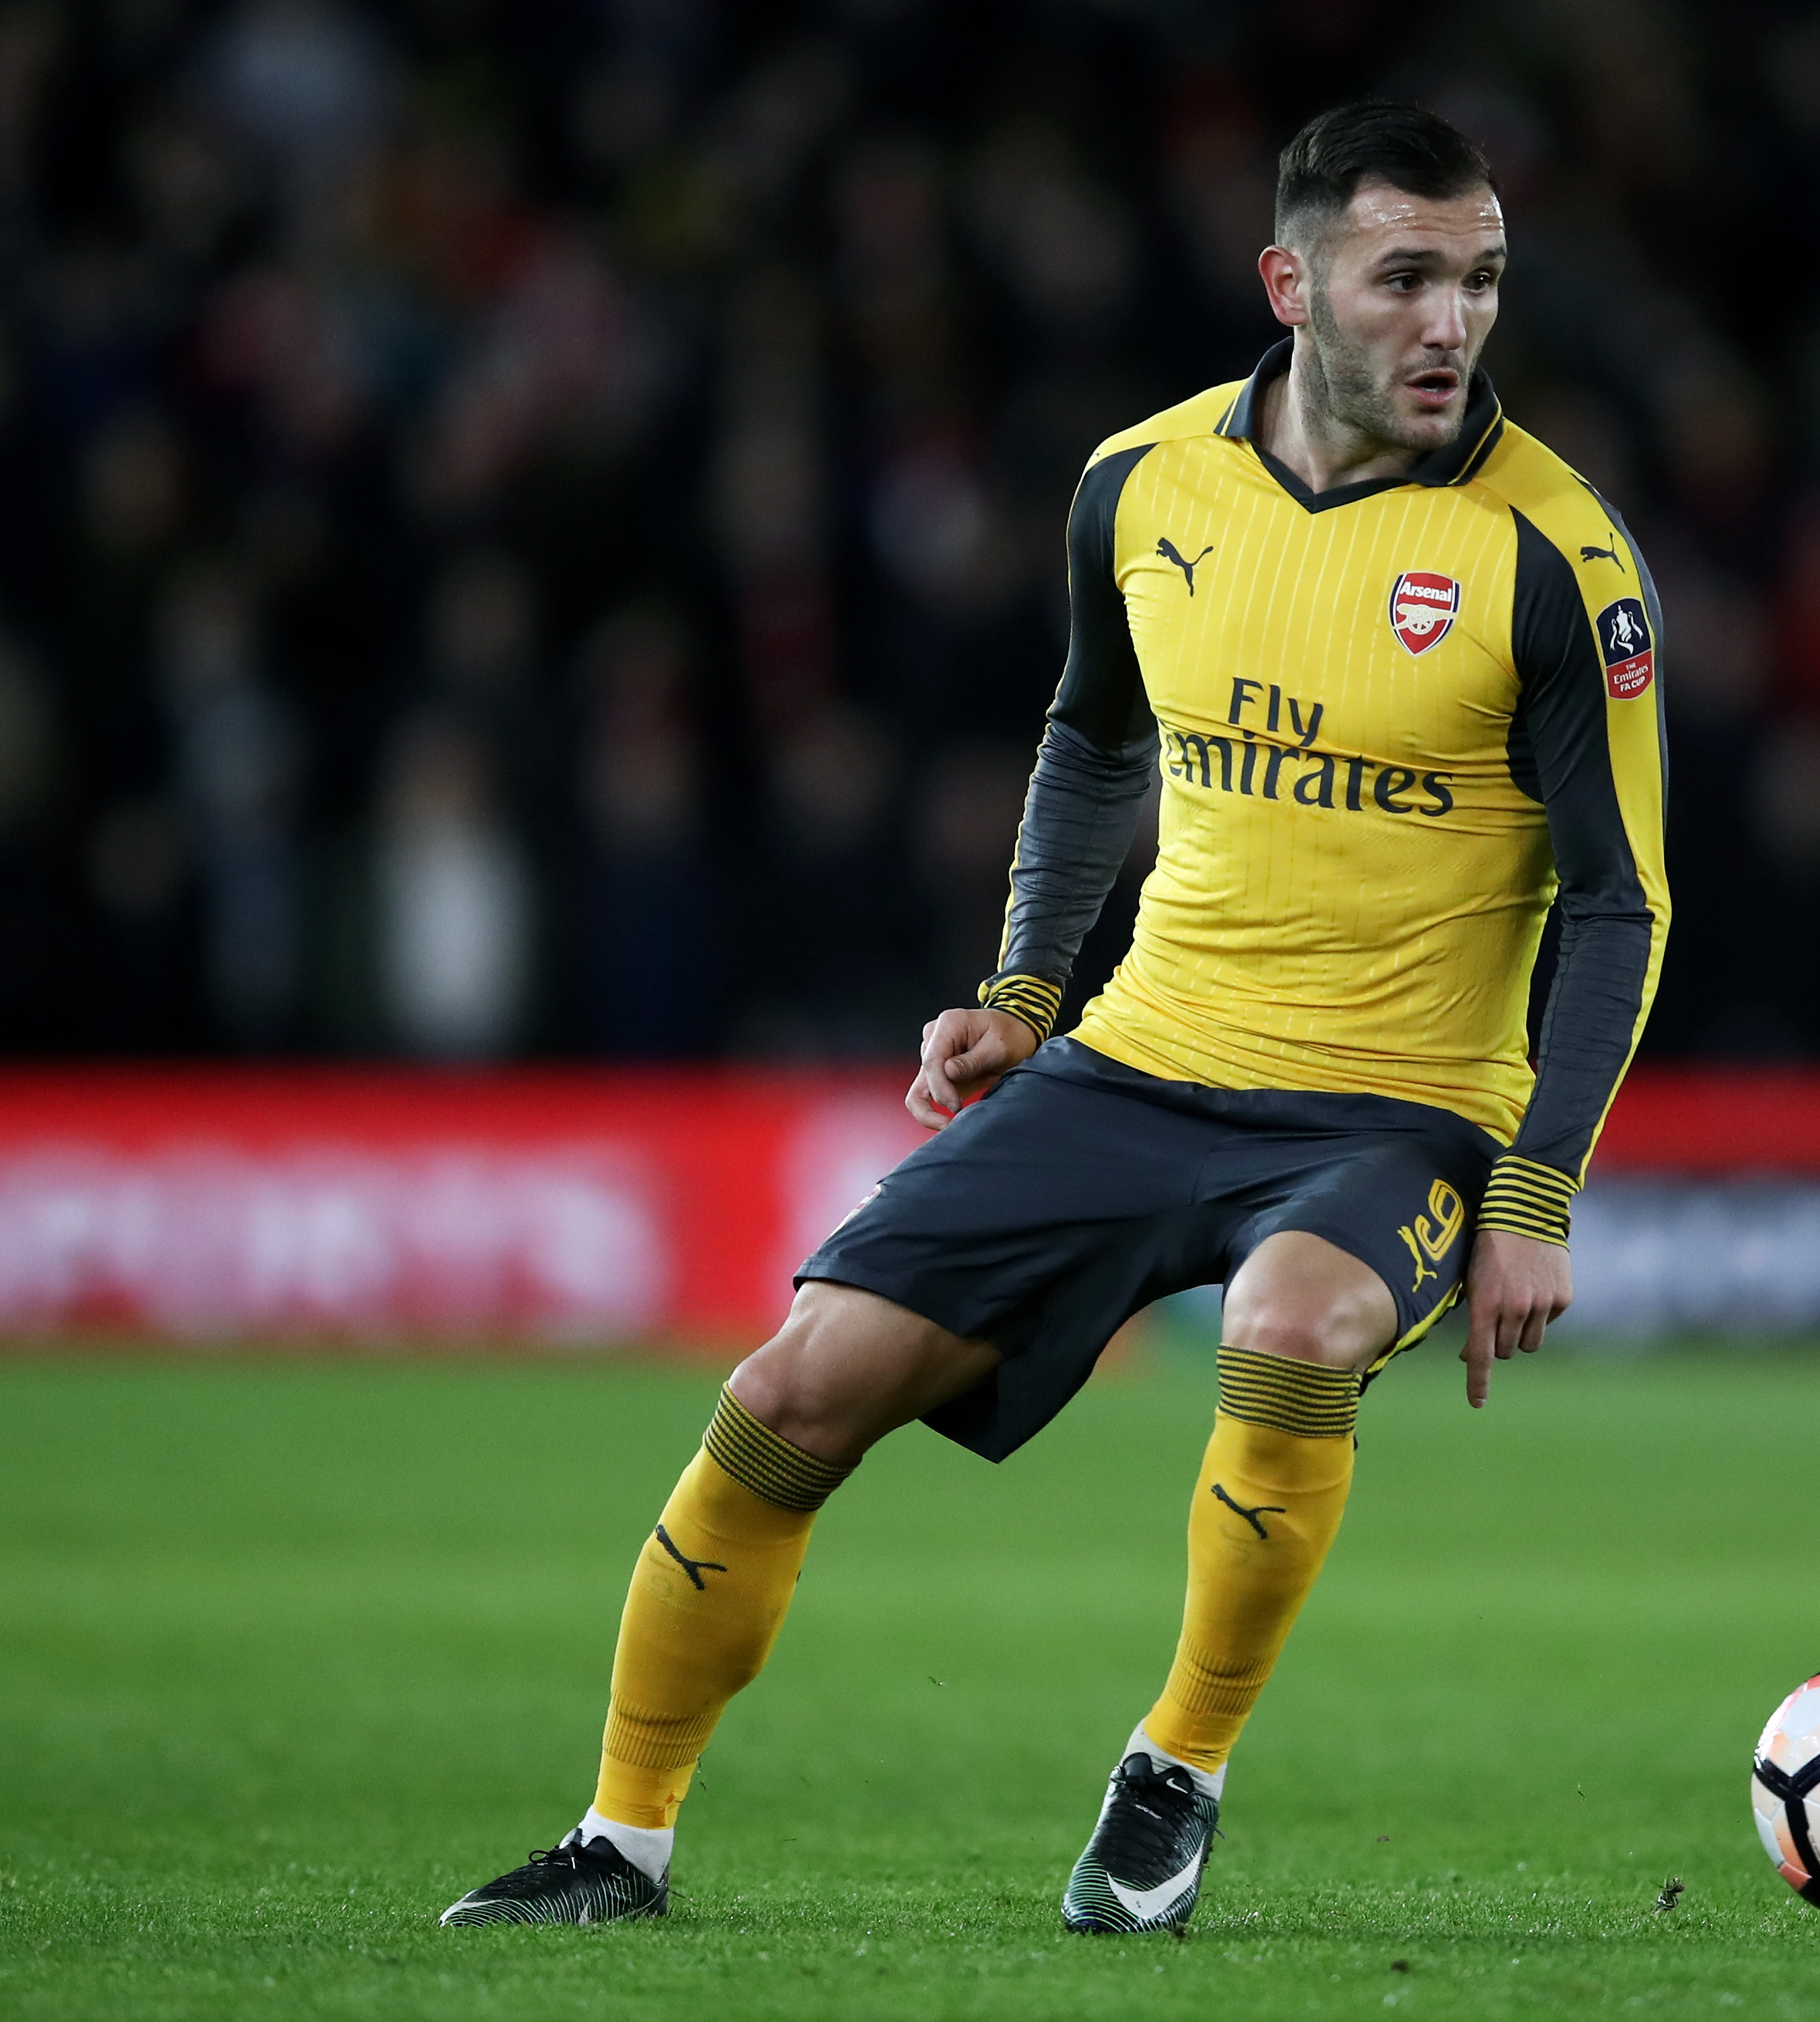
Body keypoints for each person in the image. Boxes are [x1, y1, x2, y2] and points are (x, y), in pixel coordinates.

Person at [440, 99, 1670, 1934]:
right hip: (1141, 1064)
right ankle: (621, 1843)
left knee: (1294, 1322)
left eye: (1481, 279)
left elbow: (1621, 897)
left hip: (1392, 1111)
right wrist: (1028, 989)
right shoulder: (1140, 486)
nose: (1451, 321)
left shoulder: (1555, 561)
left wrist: (1536, 1192)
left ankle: (1173, 1771)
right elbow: (1096, 736)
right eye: (1404, 274)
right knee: (788, 1394)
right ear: (1292, 282)